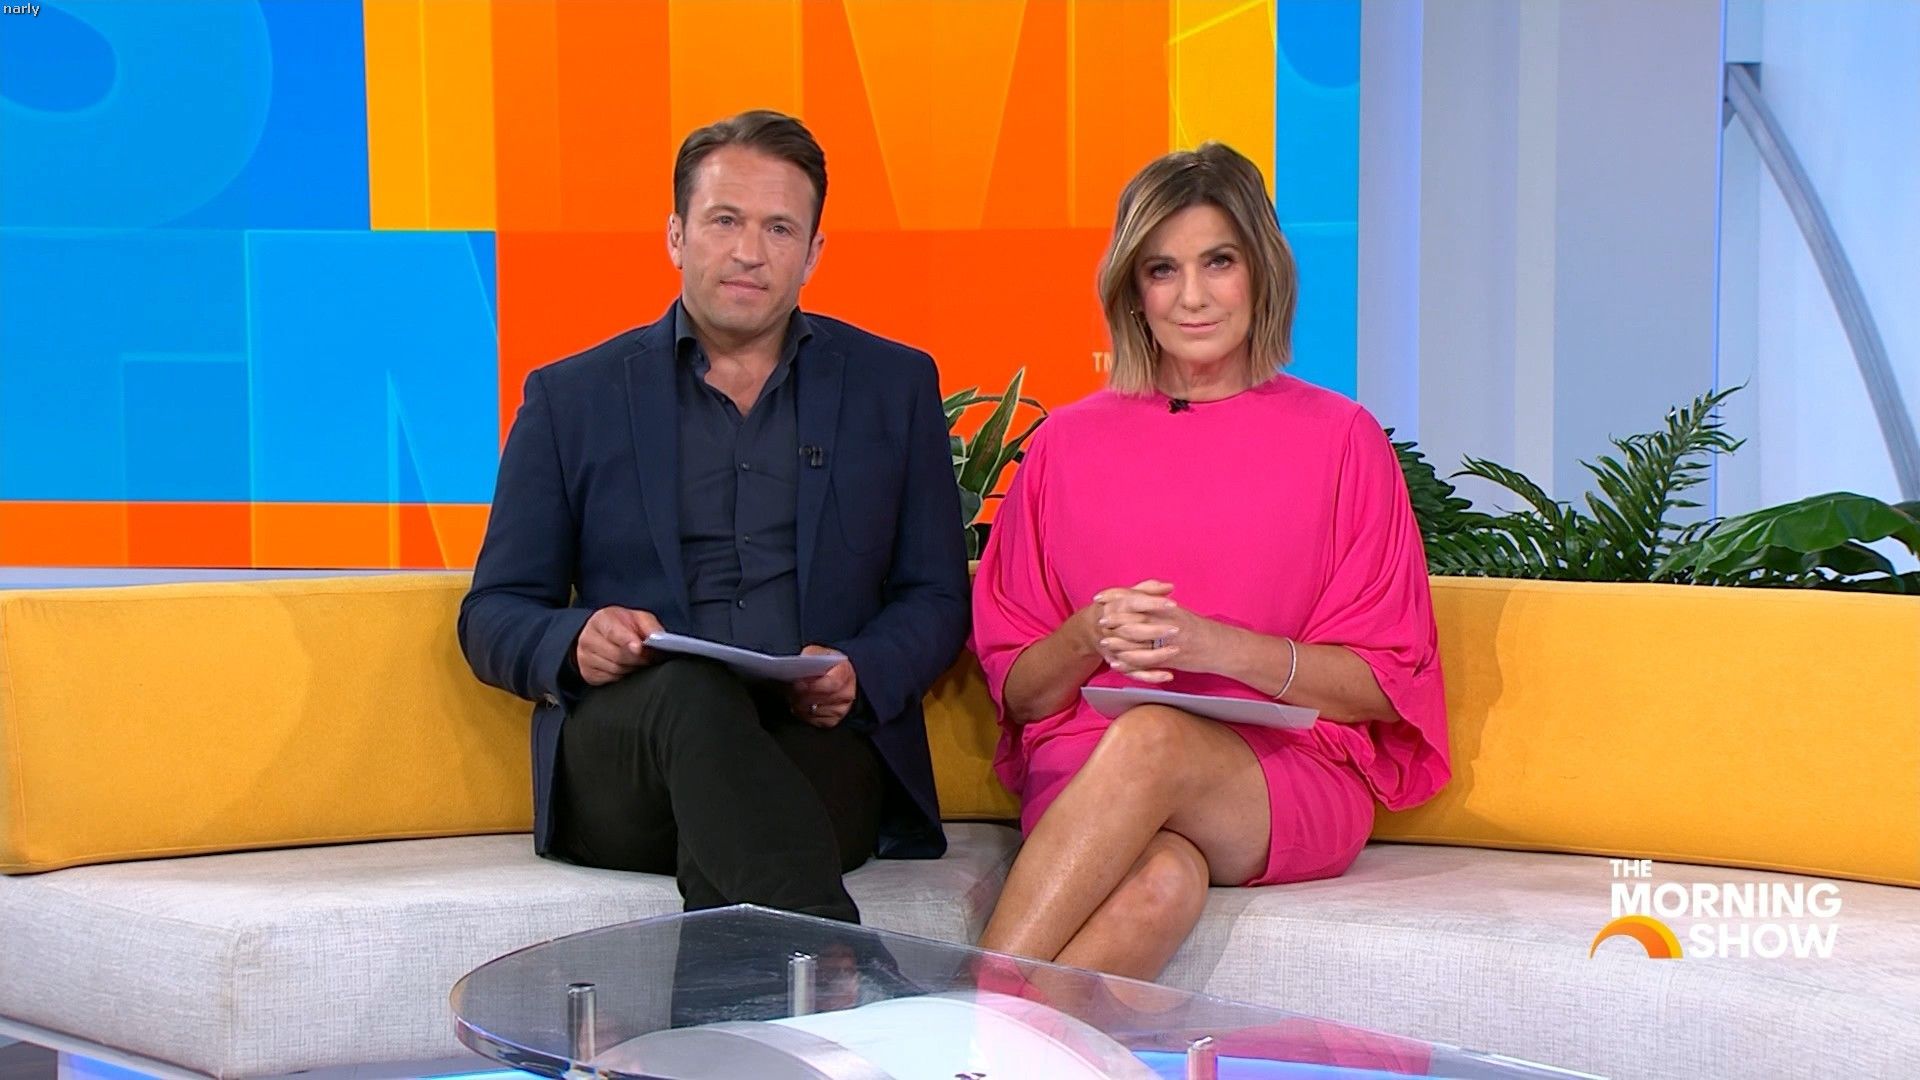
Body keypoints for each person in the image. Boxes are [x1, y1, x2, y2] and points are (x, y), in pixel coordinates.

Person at [459, 110, 970, 925]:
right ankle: (837, 969)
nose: (749, 252)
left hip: (813, 743)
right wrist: (576, 639)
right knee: (692, 694)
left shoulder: (892, 386)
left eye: (779, 228)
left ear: (814, 252)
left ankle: (759, 992)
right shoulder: (573, 399)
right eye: (725, 221)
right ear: (676, 234)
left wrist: (859, 669)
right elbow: (493, 612)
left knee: (745, 807)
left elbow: (937, 595)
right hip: (631, 759)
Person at [970, 142, 1450, 978]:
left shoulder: (1342, 440)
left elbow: (1382, 686)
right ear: (1134, 290)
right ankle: (998, 1039)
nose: (1191, 297)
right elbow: (1021, 692)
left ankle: (954, 1019)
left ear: (1261, 271)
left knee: (1154, 738)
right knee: (1159, 884)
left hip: (1285, 776)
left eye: (1218, 262)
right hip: (1092, 767)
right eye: (1163, 270)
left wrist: (1212, 647)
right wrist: (1088, 634)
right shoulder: (1064, 445)